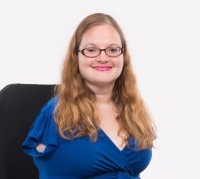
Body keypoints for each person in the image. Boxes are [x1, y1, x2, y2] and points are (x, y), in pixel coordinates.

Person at [22, 13, 156, 179]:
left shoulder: (133, 108)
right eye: (91, 50)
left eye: (112, 49)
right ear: (76, 56)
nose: (103, 57)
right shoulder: (56, 114)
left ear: (123, 56)